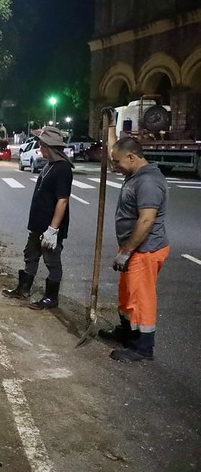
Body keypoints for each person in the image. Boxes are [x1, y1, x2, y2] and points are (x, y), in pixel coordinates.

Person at [100, 137, 169, 362]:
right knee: (127, 294)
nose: (115, 166)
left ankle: (142, 347)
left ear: (131, 157)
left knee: (140, 297)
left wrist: (127, 250)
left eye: (117, 162)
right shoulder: (134, 175)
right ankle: (127, 332)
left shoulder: (148, 182)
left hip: (145, 250)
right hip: (134, 248)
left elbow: (146, 221)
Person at [2, 126, 73, 309]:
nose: (39, 148)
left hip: (50, 226)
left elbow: (62, 200)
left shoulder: (63, 168)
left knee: (51, 260)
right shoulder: (49, 165)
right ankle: (23, 289)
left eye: (41, 145)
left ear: (48, 146)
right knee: (31, 255)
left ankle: (51, 298)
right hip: (38, 224)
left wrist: (53, 230)